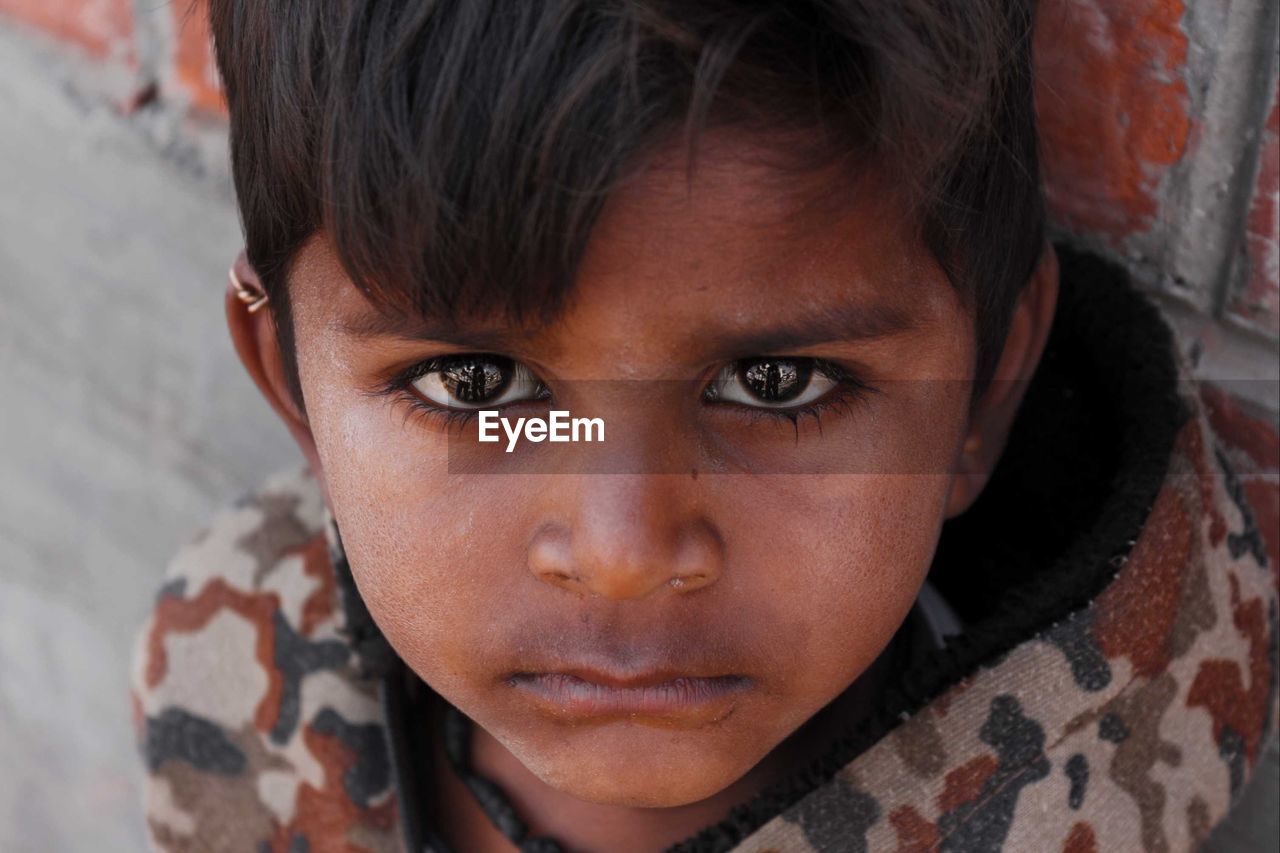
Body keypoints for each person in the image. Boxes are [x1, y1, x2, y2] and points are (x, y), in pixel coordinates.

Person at [130, 1, 1278, 850]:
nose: (624, 553)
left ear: (983, 390)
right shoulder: (236, 724)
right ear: (291, 388)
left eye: (775, 384)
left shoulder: (1100, 802)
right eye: (478, 386)